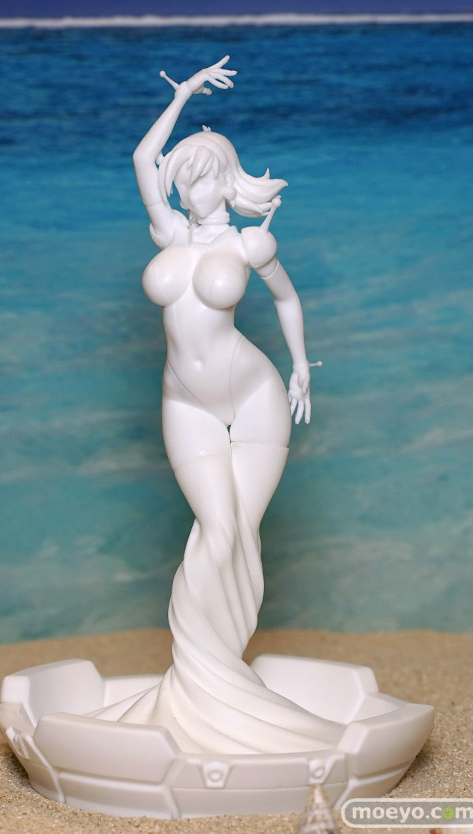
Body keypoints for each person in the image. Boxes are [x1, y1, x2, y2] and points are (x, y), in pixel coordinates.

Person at [97, 57, 342, 754]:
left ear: (228, 181)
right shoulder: (170, 235)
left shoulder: (250, 241)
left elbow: (287, 298)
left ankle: (219, 680)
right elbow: (142, 159)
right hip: (185, 401)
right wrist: (181, 95)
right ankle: (202, 679)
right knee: (216, 527)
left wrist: (300, 367)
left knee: (238, 534)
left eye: (202, 178)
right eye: (184, 180)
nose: (190, 190)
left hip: (254, 394)